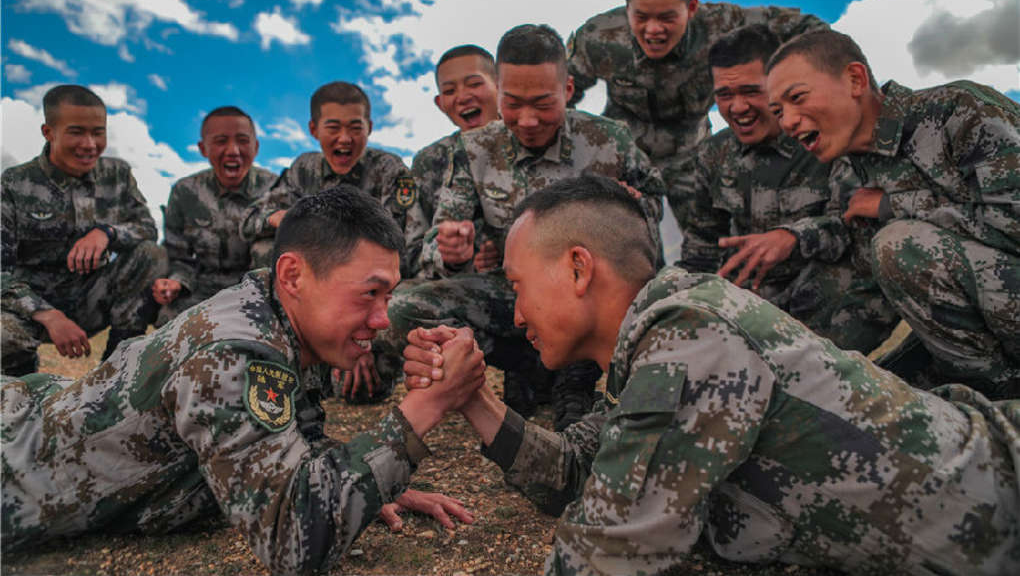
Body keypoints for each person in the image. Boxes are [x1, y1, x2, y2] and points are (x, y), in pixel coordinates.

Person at [404, 176, 1019, 576]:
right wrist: (474, 401)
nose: (514, 313)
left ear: (577, 268)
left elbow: (607, 556)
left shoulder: (691, 334)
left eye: (517, 286)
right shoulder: (654, 342)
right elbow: (572, 475)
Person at [1, 185, 482, 576]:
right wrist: (427, 406)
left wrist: (373, 479)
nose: (382, 319)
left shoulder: (284, 319)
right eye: (369, 293)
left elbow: (293, 444)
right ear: (293, 275)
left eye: (389, 295)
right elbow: (292, 543)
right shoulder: (235, 350)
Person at [378, 24, 665, 431]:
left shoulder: (610, 140)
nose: (527, 120)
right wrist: (451, 251)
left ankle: (577, 378)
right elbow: (439, 235)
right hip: (517, 297)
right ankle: (531, 365)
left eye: (543, 103)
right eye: (512, 103)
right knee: (405, 309)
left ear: (567, 89)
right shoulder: (474, 149)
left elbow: (652, 201)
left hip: (593, 293)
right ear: (498, 94)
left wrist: (634, 205)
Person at [765, 29, 1020, 398]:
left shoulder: (959, 110)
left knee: (900, 245)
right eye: (778, 111)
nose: (786, 122)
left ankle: (1001, 407)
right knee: (868, 399)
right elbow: (865, 288)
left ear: (855, 79)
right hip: (987, 326)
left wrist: (893, 205)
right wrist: (795, 366)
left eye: (797, 98)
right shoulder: (849, 173)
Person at [566, 0, 826, 228]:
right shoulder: (599, 37)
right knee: (618, 238)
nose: (653, 30)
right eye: (641, 17)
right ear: (627, 8)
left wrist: (800, 93)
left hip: (690, 152)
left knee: (710, 241)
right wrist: (581, 150)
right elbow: (563, 94)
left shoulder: (721, 24)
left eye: (667, 18)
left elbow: (811, 30)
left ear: (691, 8)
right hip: (625, 154)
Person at [684, 25, 898, 353]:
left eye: (751, 91)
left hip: (821, 294)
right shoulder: (713, 155)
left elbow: (853, 224)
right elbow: (700, 249)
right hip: (751, 298)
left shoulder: (826, 135)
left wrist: (793, 237)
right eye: (725, 95)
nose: (737, 108)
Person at [1, 85, 165, 374]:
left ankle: (116, 375)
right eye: (77, 132)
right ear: (48, 132)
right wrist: (48, 315)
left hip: (93, 297)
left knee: (151, 254)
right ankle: (23, 394)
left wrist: (106, 233)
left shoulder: (117, 174)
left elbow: (147, 228)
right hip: (34, 307)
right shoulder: (13, 184)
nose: (90, 144)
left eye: (98, 132)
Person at [240, 81, 421, 279]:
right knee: (266, 248)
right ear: (314, 129)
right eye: (333, 128)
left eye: (355, 128)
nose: (344, 139)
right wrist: (279, 217)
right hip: (313, 270)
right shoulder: (304, 168)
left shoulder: (389, 169)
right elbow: (249, 221)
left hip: (367, 273)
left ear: (369, 128)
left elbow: (399, 245)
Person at [151, 106, 277, 325]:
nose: (233, 151)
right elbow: (178, 255)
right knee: (169, 323)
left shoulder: (277, 189)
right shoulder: (185, 191)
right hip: (201, 289)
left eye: (242, 140)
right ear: (203, 148)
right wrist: (175, 283)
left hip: (261, 293)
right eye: (221, 141)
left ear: (256, 147)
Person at [411, 44, 501, 278]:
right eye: (450, 91)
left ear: (500, 85)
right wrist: (451, 255)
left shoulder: (531, 138)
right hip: (461, 290)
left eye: (474, 84)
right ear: (440, 104)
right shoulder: (429, 162)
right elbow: (414, 248)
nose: (463, 97)